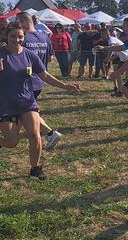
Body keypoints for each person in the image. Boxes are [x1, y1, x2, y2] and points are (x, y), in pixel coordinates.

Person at [0, 23, 80, 180]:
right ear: (6, 37)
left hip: (27, 102)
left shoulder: (29, 55)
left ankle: (35, 169)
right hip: (5, 104)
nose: (17, 40)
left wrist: (65, 86)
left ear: (24, 37)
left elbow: (45, 75)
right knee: (12, 142)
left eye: (20, 37)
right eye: (13, 36)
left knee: (35, 135)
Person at [17, 12, 63, 150]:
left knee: (25, 112)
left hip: (25, 81)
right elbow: (50, 59)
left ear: (21, 22)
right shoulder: (44, 37)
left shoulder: (22, 38)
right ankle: (49, 134)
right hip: (39, 80)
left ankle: (49, 133)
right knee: (25, 111)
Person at [100, 27, 128, 96]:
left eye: (103, 34)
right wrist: (110, 59)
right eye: (101, 34)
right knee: (118, 74)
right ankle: (120, 91)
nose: (101, 36)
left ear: (107, 34)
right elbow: (117, 53)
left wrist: (107, 59)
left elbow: (111, 48)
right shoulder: (112, 40)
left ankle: (122, 90)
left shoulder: (111, 39)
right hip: (123, 59)